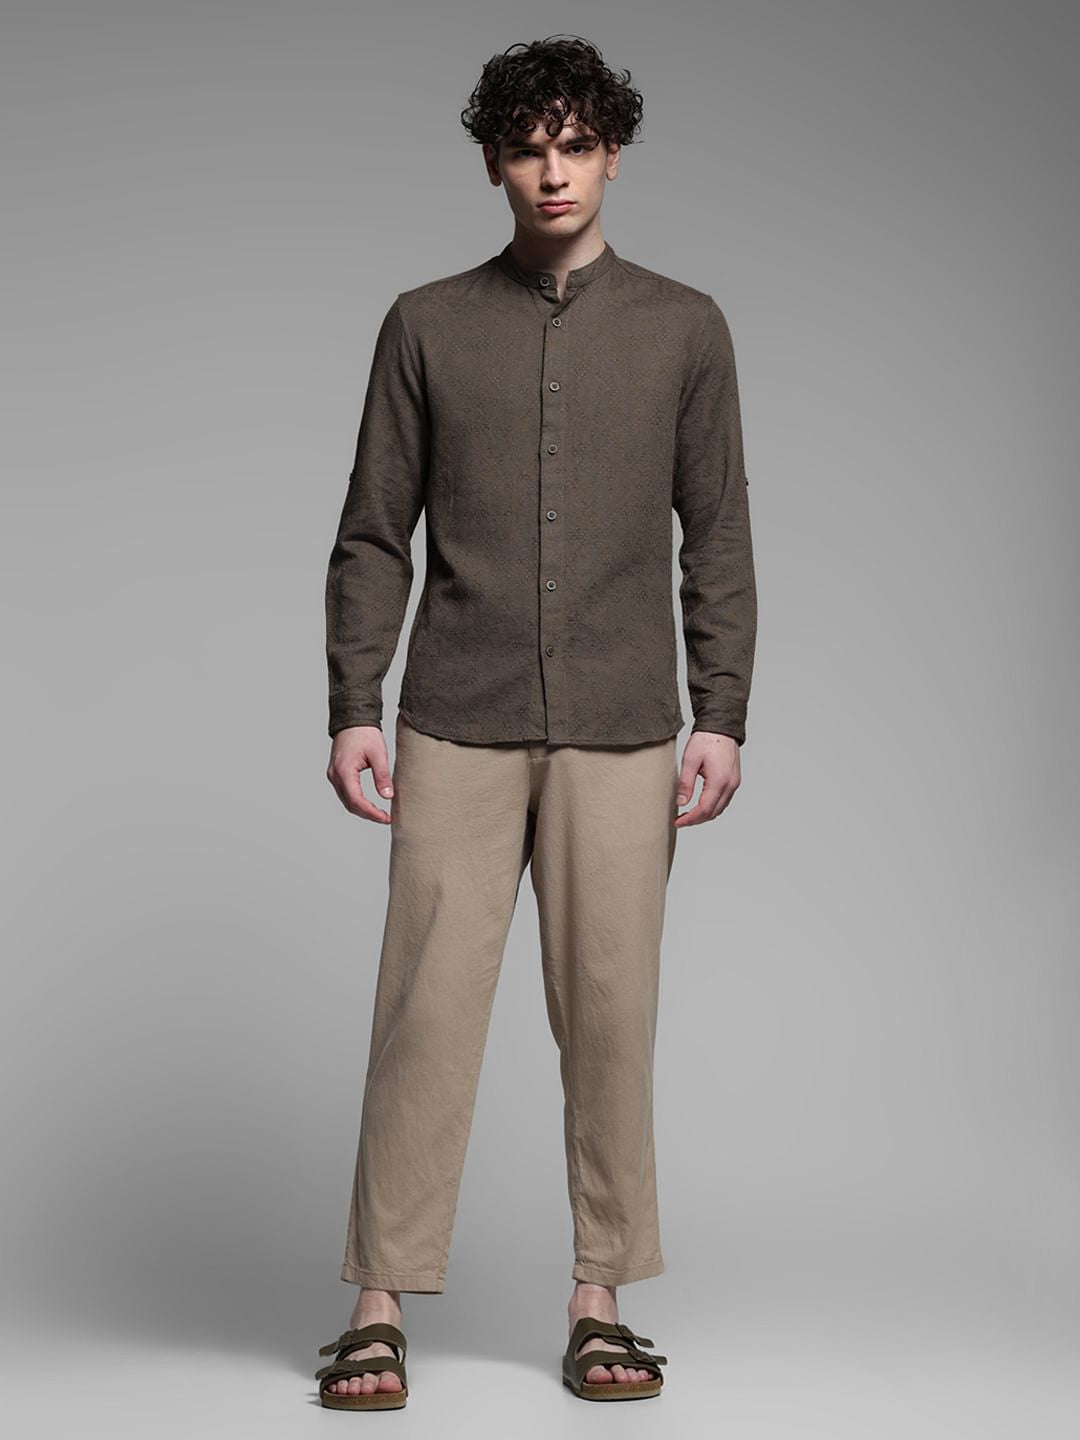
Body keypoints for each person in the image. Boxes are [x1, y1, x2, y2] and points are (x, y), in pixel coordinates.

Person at [315, 34, 757, 1409]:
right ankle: (377, 1303)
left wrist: (723, 712)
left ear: (614, 153)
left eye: (575, 145)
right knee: (424, 1010)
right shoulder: (425, 324)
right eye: (527, 148)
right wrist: (352, 703)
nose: (553, 171)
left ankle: (600, 1298)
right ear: (494, 163)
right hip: (455, 711)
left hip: (626, 722)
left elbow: (718, 536)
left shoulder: (686, 328)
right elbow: (373, 532)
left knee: (613, 1012)